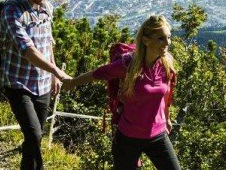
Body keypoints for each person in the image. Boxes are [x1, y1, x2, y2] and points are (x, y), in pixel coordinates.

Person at [64, 15, 181, 170]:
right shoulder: (127, 65)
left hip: (157, 135)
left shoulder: (166, 63)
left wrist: (167, 117)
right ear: (145, 40)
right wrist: (72, 82)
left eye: (168, 37)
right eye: (161, 38)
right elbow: (97, 73)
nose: (167, 43)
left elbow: (166, 94)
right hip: (128, 137)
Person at [0, 0, 72, 170]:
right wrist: (57, 72)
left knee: (35, 137)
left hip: (42, 84)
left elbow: (48, 43)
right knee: (33, 133)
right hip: (17, 82)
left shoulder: (47, 8)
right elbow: (28, 51)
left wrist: (53, 75)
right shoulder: (12, 11)